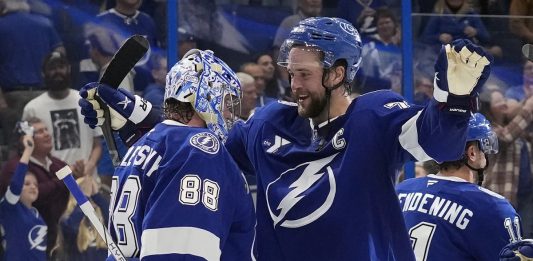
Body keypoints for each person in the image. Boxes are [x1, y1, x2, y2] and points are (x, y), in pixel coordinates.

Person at [79, 17, 492, 260]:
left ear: (338, 73)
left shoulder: (373, 117)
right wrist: (132, 113)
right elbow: (204, 141)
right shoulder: (269, 124)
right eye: (290, 73)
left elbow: (438, 144)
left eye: (304, 75)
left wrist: (453, 101)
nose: (293, 84)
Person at [79, 49, 255, 260]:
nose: (228, 114)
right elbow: (180, 253)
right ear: (205, 98)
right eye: (226, 103)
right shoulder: (200, 151)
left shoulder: (141, 146)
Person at [396, 113, 522, 260]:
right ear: (472, 153)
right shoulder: (492, 206)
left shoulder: (401, 190)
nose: (486, 154)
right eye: (483, 148)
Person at [22, 51, 102, 176]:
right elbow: (28, 150)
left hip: (86, 180)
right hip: (53, 182)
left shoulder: (87, 101)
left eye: (61, 67)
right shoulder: (32, 108)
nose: (57, 71)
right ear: (43, 73)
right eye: (52, 68)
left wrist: (89, 167)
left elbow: (97, 144)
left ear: (69, 69)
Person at [0, 117, 71, 255]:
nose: (46, 134)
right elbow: (16, 188)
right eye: (39, 131)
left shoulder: (37, 216)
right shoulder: (9, 205)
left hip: (54, 239)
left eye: (46, 129)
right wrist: (28, 151)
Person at [0, 122, 47, 260]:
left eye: (36, 184)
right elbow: (15, 185)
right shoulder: (9, 208)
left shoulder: (38, 215)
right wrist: (28, 151)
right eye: (27, 184)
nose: (33, 187)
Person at [52, 176, 108, 261]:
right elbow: (71, 228)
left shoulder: (103, 219)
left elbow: (114, 221)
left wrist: (97, 196)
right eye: (85, 191)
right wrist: (84, 198)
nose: (90, 194)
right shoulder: (67, 221)